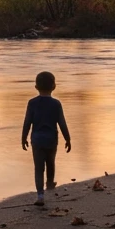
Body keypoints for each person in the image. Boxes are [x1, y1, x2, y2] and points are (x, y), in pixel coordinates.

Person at [21, 70, 71, 206]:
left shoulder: (32, 103)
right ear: (54, 87)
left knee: (38, 168)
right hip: (51, 139)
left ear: (36, 87)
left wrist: (23, 137)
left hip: (37, 140)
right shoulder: (56, 104)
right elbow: (62, 123)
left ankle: (40, 196)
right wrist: (68, 139)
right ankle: (50, 183)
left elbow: (27, 122)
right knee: (50, 163)